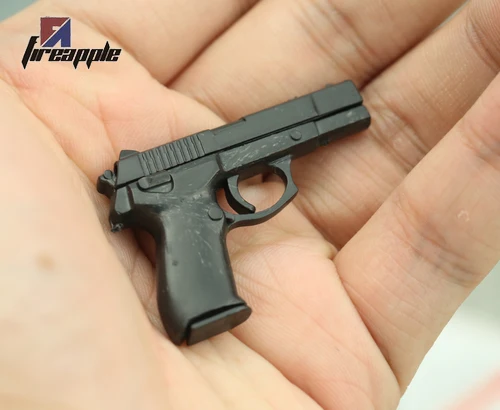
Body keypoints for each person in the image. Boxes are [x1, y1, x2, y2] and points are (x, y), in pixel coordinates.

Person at [0, 0, 498, 408]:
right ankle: (205, 309)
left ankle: (202, 310)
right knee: (191, 216)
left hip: (164, 179)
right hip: (170, 180)